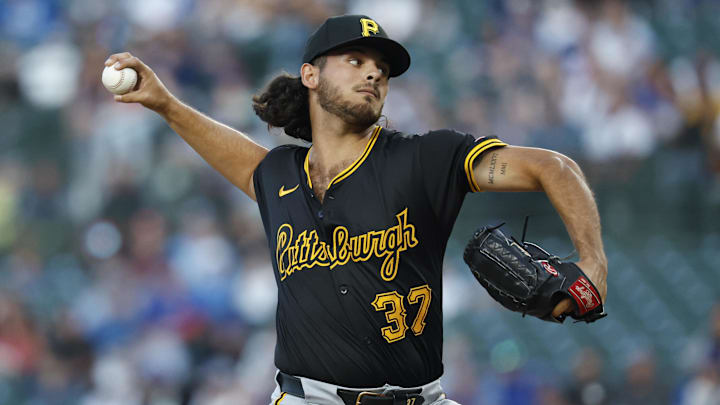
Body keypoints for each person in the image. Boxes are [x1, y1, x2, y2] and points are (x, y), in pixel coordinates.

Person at [104, 14, 608, 405]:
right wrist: (164, 102)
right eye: (355, 59)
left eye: (382, 69)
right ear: (310, 74)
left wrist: (593, 263)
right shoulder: (280, 176)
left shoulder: (424, 159)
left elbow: (553, 167)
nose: (373, 72)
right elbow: (233, 153)